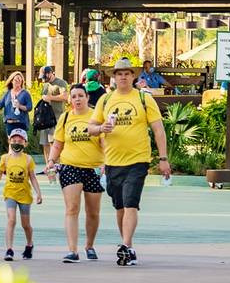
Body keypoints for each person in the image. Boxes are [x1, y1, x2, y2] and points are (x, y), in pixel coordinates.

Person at [88, 56, 171, 267]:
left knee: (130, 202)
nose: (123, 77)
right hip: (113, 161)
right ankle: (129, 247)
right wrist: (101, 129)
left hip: (138, 160)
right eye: (119, 74)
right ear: (114, 77)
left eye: (126, 73)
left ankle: (125, 244)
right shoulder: (105, 100)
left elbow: (158, 130)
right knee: (120, 207)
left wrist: (163, 159)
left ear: (133, 76)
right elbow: (90, 128)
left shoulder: (144, 99)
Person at [44, 83, 105, 263]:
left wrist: (106, 163)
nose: (77, 99)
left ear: (87, 97)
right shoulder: (65, 118)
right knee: (72, 208)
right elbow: (58, 144)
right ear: (70, 99)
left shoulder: (96, 117)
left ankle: (89, 246)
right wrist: (51, 161)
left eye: (80, 95)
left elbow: (104, 143)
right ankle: (72, 250)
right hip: (70, 166)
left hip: (94, 168)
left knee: (93, 212)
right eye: (74, 96)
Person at [0, 127, 43, 261]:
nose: (16, 143)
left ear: (25, 143)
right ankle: (9, 250)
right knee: (11, 220)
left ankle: (29, 244)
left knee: (25, 225)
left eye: (20, 141)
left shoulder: (28, 159)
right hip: (10, 194)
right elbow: (0, 171)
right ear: (9, 141)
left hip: (25, 195)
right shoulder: (5, 158)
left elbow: (32, 177)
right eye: (14, 140)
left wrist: (39, 193)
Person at [33, 65, 67, 172]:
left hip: (56, 118)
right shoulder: (45, 85)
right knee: (45, 143)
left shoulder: (61, 83)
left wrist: (50, 98)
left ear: (51, 73)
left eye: (45, 76)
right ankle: (48, 166)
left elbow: (65, 97)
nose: (44, 79)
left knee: (54, 142)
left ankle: (57, 166)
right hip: (45, 118)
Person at [0, 71, 33, 138]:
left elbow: (29, 107)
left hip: (21, 123)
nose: (18, 81)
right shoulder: (7, 93)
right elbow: (0, 103)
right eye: (16, 79)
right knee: (11, 143)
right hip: (9, 123)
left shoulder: (25, 94)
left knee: (19, 144)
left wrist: (20, 106)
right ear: (12, 81)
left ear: (22, 81)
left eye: (20, 79)